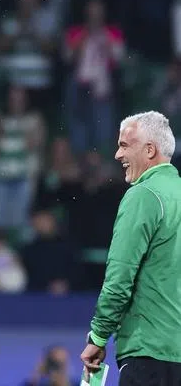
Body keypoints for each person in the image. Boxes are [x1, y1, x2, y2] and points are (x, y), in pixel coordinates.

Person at [81, 111, 181, 383]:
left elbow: (120, 277)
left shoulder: (143, 195)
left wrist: (99, 336)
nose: (116, 155)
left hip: (149, 354)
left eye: (124, 145)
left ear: (150, 150)